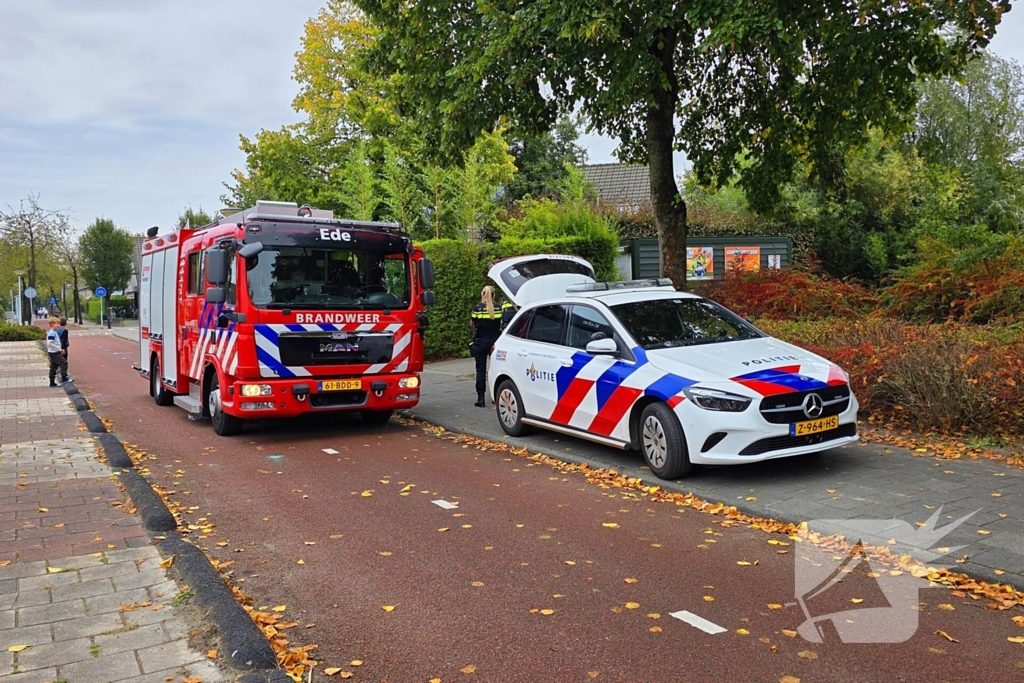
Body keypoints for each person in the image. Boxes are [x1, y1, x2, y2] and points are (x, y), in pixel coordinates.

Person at [470, 286, 502, 407]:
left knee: (481, 370)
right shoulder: (498, 308)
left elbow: (473, 324)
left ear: (482, 295)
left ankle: (481, 399)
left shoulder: (477, 309)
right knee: (496, 370)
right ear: (493, 295)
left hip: (480, 342)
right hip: (495, 341)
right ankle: (495, 398)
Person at [45, 317, 68, 387]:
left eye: (59, 324)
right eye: (57, 324)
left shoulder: (54, 332)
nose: (59, 325)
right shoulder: (52, 333)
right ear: (52, 324)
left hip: (53, 351)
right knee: (64, 363)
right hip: (54, 352)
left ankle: (52, 382)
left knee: (53, 367)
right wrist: (59, 349)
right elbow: (50, 343)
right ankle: (64, 378)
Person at [58, 317, 71, 382]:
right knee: (64, 361)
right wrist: (63, 348)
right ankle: (64, 375)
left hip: (57, 347)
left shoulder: (56, 330)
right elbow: (64, 340)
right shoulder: (65, 331)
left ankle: (61, 374)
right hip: (63, 347)